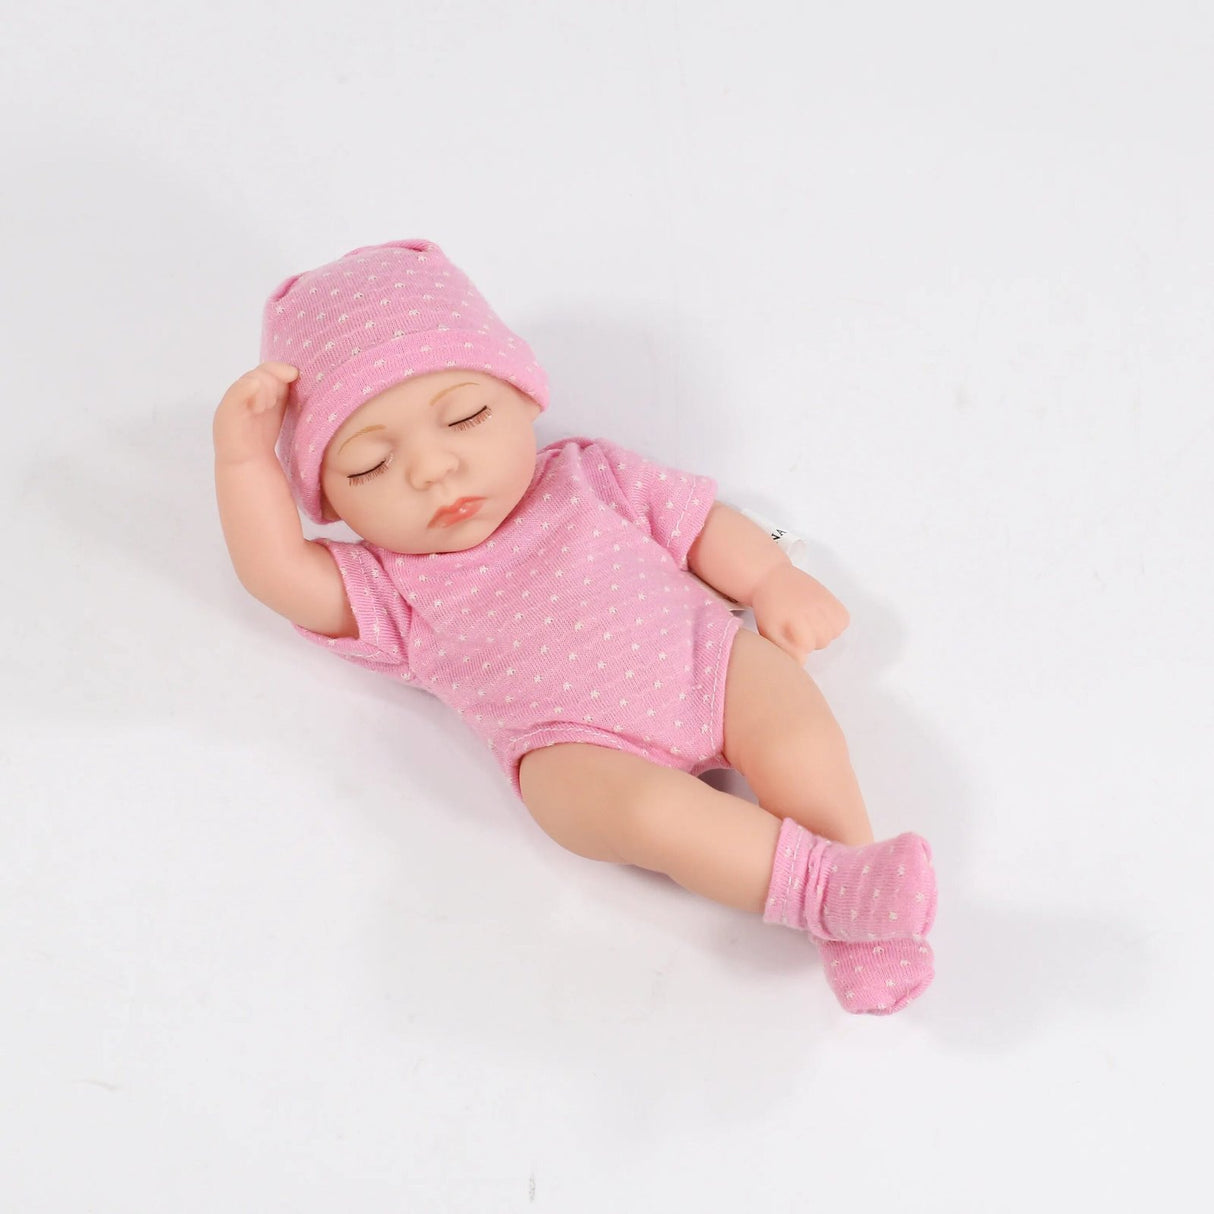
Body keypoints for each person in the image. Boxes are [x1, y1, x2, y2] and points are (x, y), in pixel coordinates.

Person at [213, 239, 936, 1014]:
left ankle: (865, 909)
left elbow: (697, 526)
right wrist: (244, 463)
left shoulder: (588, 475)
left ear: (524, 396)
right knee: (649, 816)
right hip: (576, 749)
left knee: (791, 725)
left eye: (463, 415)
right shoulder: (390, 586)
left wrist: (771, 577)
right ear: (331, 502)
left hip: (709, 664)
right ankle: (830, 895)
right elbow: (277, 573)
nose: (431, 470)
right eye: (368, 467)